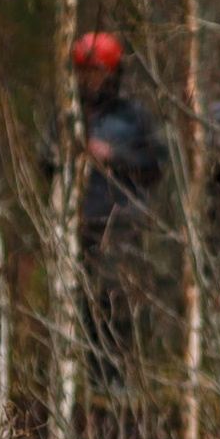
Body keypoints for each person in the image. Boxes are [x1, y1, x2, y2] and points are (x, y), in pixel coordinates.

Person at [71, 32, 166, 389]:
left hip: (121, 222)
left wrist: (112, 157)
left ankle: (114, 377)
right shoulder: (70, 113)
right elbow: (45, 158)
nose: (89, 79)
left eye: (95, 71)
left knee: (113, 297)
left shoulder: (134, 115)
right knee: (79, 300)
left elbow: (155, 164)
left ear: (112, 72)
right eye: (83, 71)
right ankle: (80, 377)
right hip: (77, 223)